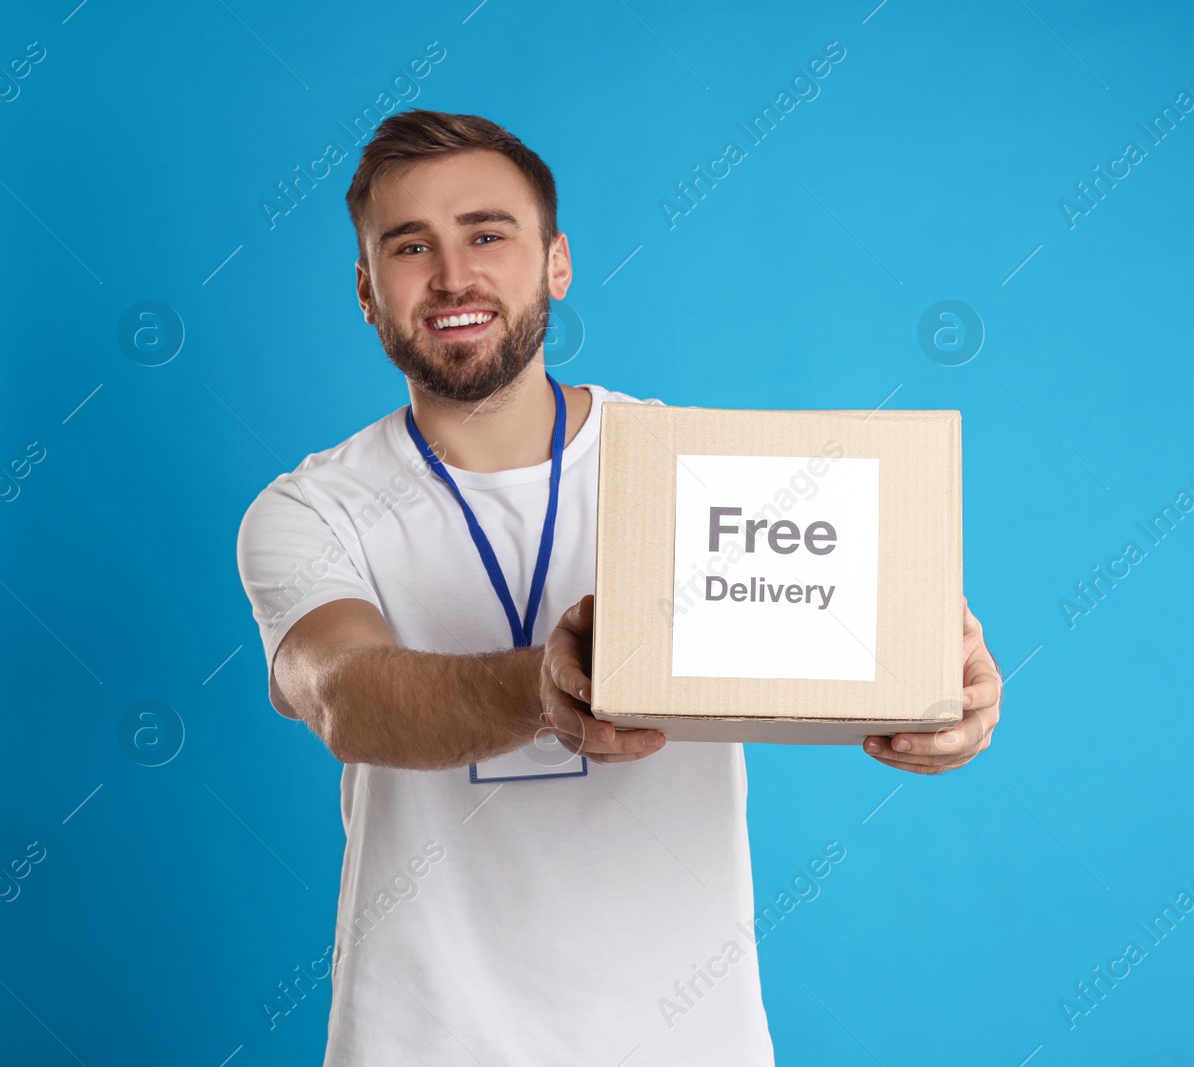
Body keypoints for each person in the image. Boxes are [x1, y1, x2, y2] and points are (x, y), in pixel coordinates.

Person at [235, 108, 1002, 1066]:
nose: (453, 275)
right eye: (410, 246)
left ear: (556, 261)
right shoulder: (310, 508)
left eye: (486, 233)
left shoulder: (697, 469)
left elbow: (862, 629)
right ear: (365, 290)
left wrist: (946, 685)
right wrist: (541, 688)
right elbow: (345, 694)